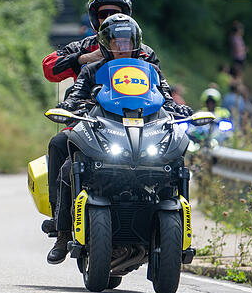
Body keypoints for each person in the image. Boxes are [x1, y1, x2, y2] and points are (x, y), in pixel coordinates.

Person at [46, 14, 191, 264]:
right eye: (116, 43)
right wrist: (72, 105)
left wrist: (179, 108)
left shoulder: (151, 70)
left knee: (174, 162)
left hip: (144, 134)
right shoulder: (92, 69)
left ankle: (175, 231)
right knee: (69, 167)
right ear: (105, 44)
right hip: (105, 130)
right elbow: (76, 93)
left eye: (126, 42)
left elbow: (165, 97)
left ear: (136, 42)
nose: (122, 47)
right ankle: (63, 233)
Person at [40, 0, 169, 235]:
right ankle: (61, 224)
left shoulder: (143, 52)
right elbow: (49, 67)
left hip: (139, 123)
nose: (108, 17)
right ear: (93, 17)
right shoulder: (84, 47)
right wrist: (83, 59)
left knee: (171, 155)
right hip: (88, 123)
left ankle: (165, 219)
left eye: (115, 11)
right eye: (102, 14)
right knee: (58, 143)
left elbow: (161, 88)